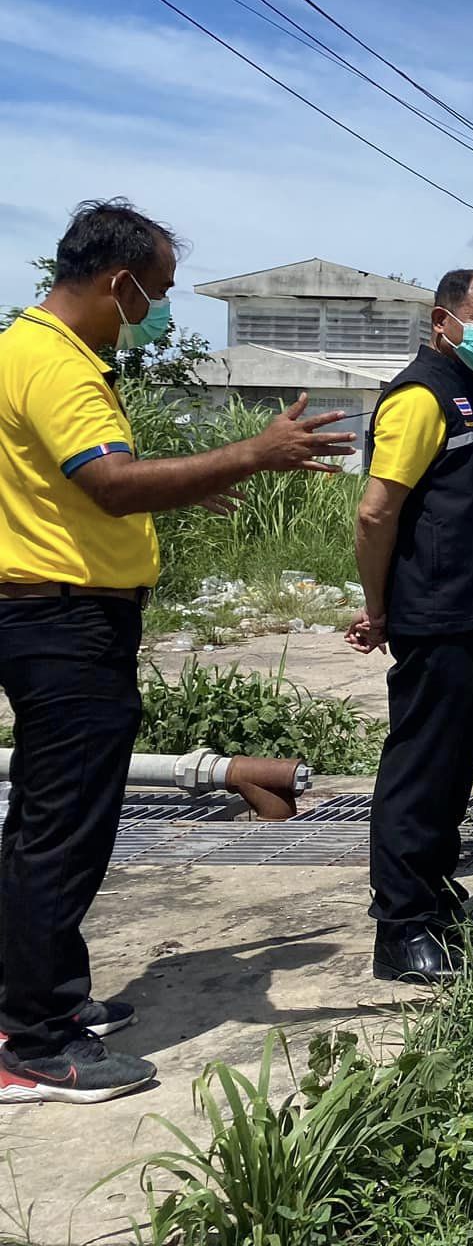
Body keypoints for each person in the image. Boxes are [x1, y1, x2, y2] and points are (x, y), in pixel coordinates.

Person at [0, 199, 353, 1103]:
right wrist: (251, 452)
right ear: (116, 283)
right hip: (62, 619)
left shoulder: (32, 351)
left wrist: (185, 489)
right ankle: (36, 1046)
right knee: (62, 829)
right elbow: (111, 487)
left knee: (48, 821)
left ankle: (37, 1000)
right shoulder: (57, 364)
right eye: (153, 292)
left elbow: (70, 488)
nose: (157, 308)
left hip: (49, 609)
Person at [347, 269, 473, 984]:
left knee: (450, 773)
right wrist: (380, 606)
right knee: (420, 770)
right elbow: (375, 512)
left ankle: (433, 893)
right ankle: (402, 928)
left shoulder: (467, 390)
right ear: (443, 319)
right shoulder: (419, 396)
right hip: (436, 612)